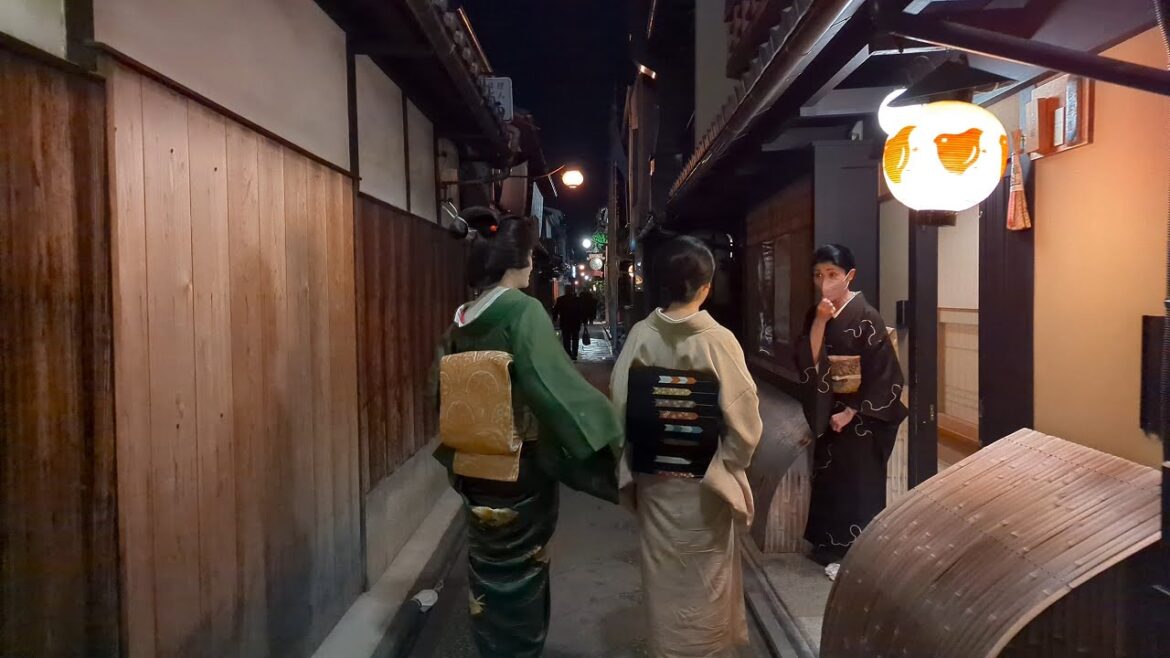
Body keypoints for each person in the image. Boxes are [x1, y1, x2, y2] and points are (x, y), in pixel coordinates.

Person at [432, 215, 624, 657]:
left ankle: (491, 645)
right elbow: (550, 385)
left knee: (486, 565)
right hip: (517, 465)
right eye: (530, 258)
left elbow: (438, 389)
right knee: (522, 567)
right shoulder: (521, 310)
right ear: (514, 264)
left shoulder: (462, 319)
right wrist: (610, 432)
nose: (534, 266)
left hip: (473, 463)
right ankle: (517, 648)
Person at [610, 236, 763, 658]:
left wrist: (635, 456)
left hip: (657, 482)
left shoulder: (642, 335)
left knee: (665, 580)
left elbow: (620, 406)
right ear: (705, 287)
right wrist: (728, 462)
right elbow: (745, 421)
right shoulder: (718, 340)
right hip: (704, 485)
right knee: (706, 577)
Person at [794, 244, 907, 575]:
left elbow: (886, 375)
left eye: (832, 274)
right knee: (831, 479)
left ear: (850, 276)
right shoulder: (818, 312)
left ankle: (854, 554)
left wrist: (853, 411)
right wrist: (819, 320)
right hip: (830, 408)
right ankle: (827, 545)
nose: (825, 281)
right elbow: (809, 360)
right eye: (818, 275)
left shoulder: (867, 316)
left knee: (858, 483)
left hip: (861, 417)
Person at [552, 285, 586, 359]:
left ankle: (568, 353)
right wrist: (584, 320)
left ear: (566, 290)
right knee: (575, 339)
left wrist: (554, 318)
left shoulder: (561, 299)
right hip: (575, 322)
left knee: (566, 339)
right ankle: (574, 354)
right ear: (572, 290)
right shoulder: (577, 300)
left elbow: (556, 310)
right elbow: (582, 311)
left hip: (565, 322)